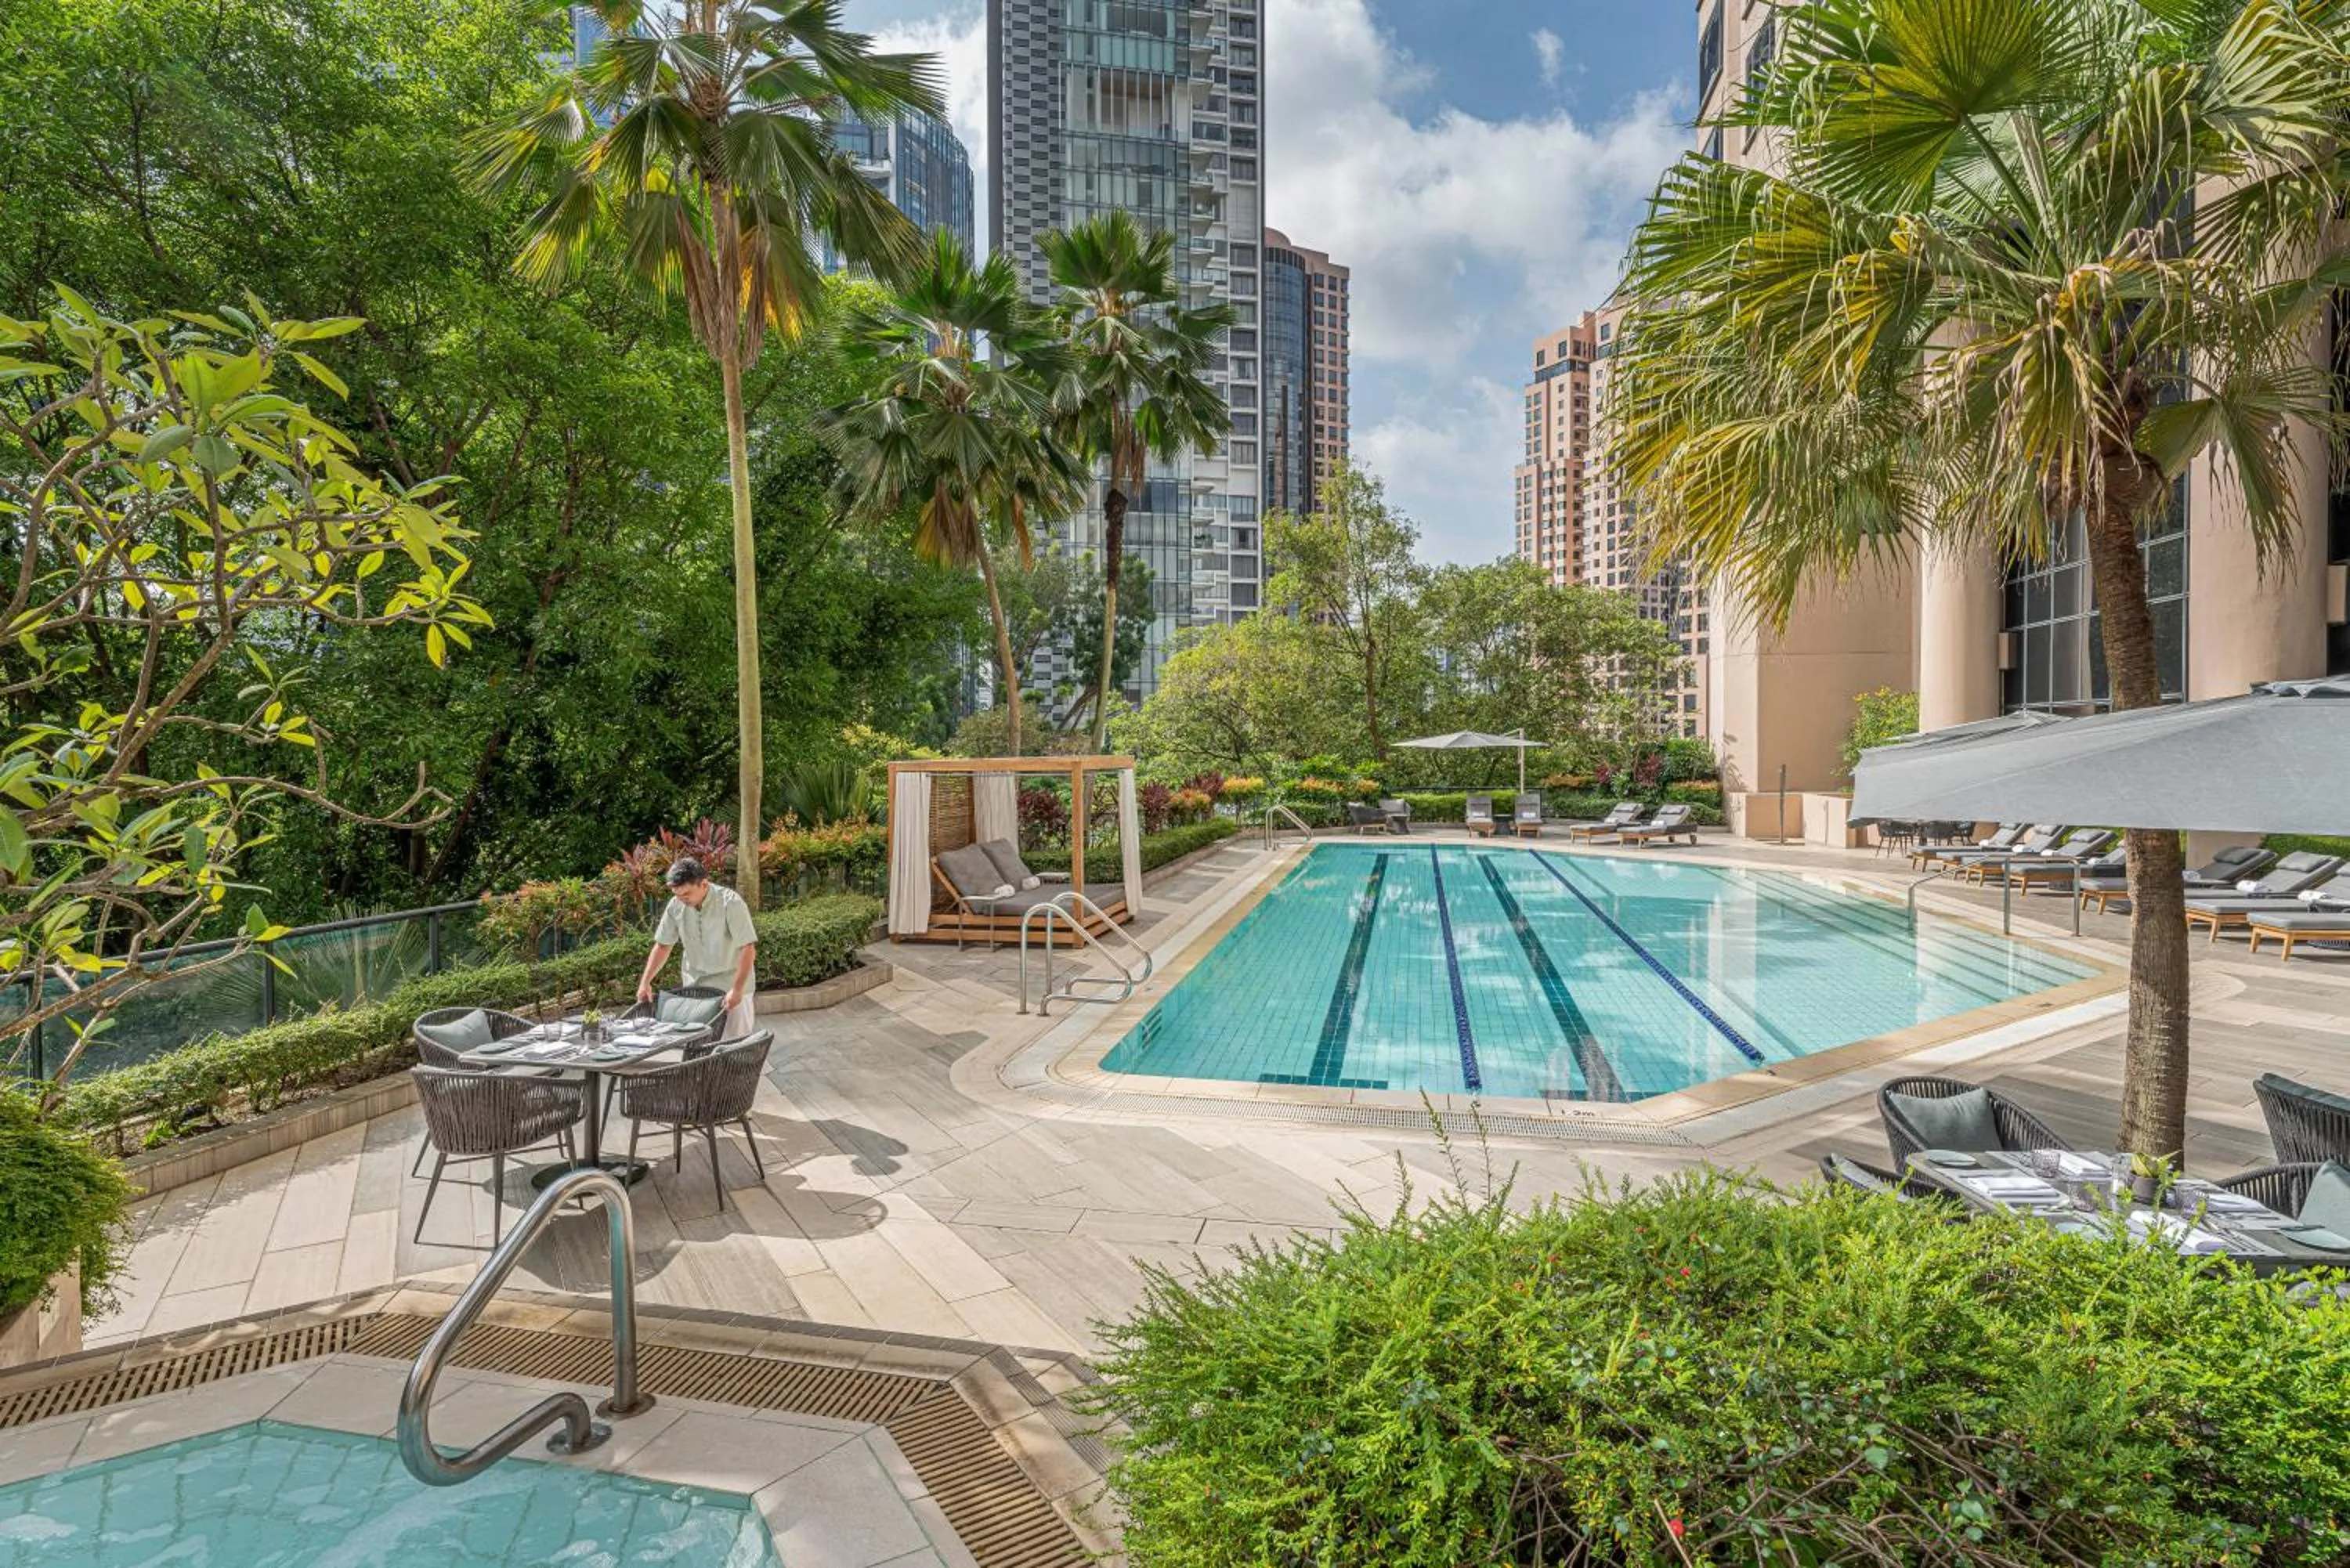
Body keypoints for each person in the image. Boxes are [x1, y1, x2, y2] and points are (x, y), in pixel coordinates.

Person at [637, 858, 758, 1040]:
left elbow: (747, 948)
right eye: (677, 894)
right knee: (698, 1046)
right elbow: (663, 945)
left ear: (704, 884)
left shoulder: (731, 903)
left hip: (731, 987)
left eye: (686, 894)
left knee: (735, 1047)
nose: (681, 899)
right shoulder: (676, 905)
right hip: (696, 988)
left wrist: (738, 989)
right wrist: (645, 982)